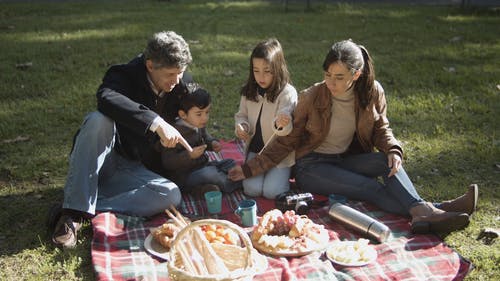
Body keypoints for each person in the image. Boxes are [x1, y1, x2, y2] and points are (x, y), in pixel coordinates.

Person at [229, 40, 478, 234]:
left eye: (339, 77)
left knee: (385, 162)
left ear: (356, 75)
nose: (331, 82)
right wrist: (251, 169)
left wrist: (392, 149)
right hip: (313, 167)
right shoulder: (313, 96)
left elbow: (382, 128)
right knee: (372, 188)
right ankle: (432, 210)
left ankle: (429, 211)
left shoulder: (371, 92)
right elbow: (286, 140)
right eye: (328, 74)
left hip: (345, 159)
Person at [49, 31, 194, 248]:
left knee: (170, 194)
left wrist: (170, 141)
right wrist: (156, 123)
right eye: (171, 74)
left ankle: (76, 204)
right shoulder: (125, 74)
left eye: (180, 73)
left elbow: (191, 115)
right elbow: (106, 98)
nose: (176, 81)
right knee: (99, 121)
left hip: (131, 169)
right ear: (150, 65)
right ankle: (73, 216)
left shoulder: (181, 84)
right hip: (101, 158)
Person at [234, 38, 298, 199]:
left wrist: (281, 122)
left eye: (267, 71)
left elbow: (286, 130)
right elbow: (241, 115)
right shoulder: (249, 91)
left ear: (278, 69)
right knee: (251, 190)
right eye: (256, 70)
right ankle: (264, 176)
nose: (261, 76)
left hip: (278, 155)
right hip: (256, 151)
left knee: (272, 192)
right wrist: (242, 126)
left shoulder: (287, 93)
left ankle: (281, 176)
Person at [157, 83, 241, 198]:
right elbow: (168, 162)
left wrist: (212, 143)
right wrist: (189, 155)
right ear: (183, 114)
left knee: (230, 163)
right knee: (210, 174)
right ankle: (233, 184)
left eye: (207, 112)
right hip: (185, 175)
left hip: (203, 165)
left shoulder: (197, 124)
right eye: (199, 114)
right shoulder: (174, 134)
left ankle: (205, 189)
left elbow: (205, 138)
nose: (205, 118)